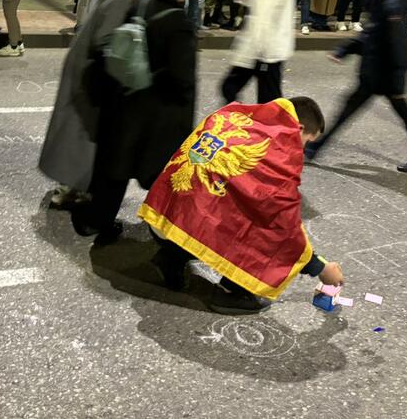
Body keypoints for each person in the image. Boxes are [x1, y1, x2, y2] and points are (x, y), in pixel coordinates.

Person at [138, 97, 346, 314]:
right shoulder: (278, 153)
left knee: (221, 205)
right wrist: (320, 267)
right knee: (254, 228)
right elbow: (283, 228)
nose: (303, 150)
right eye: (307, 141)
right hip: (186, 226)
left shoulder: (233, 116)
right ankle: (230, 292)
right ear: (299, 127)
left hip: (161, 216)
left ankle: (170, 259)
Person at [71, 0, 197, 241]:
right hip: (156, 116)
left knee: (114, 170)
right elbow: (182, 80)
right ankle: (165, 234)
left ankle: (95, 220)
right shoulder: (179, 24)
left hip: (123, 101)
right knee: (162, 176)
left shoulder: (141, 4)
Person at [39, 0, 158, 209]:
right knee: (85, 132)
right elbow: (105, 42)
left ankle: (69, 185)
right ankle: (74, 187)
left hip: (81, 65)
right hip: (92, 73)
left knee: (76, 129)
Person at [305, 0, 407, 174]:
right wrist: (344, 50)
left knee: (394, 114)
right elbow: (371, 35)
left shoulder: (391, 4)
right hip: (375, 73)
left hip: (384, 75)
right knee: (349, 110)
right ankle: (314, 148)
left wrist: (398, 82)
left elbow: (397, 44)